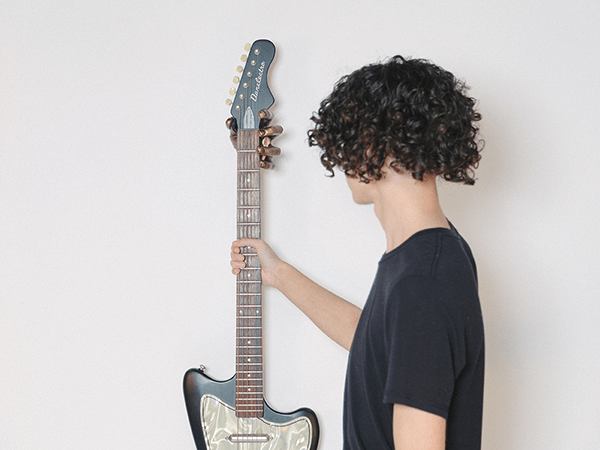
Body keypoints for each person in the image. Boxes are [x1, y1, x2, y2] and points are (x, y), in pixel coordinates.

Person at [230, 55, 485, 450]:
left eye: (348, 136)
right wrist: (278, 273)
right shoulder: (428, 256)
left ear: (373, 144)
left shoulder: (422, 283)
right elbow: (376, 344)